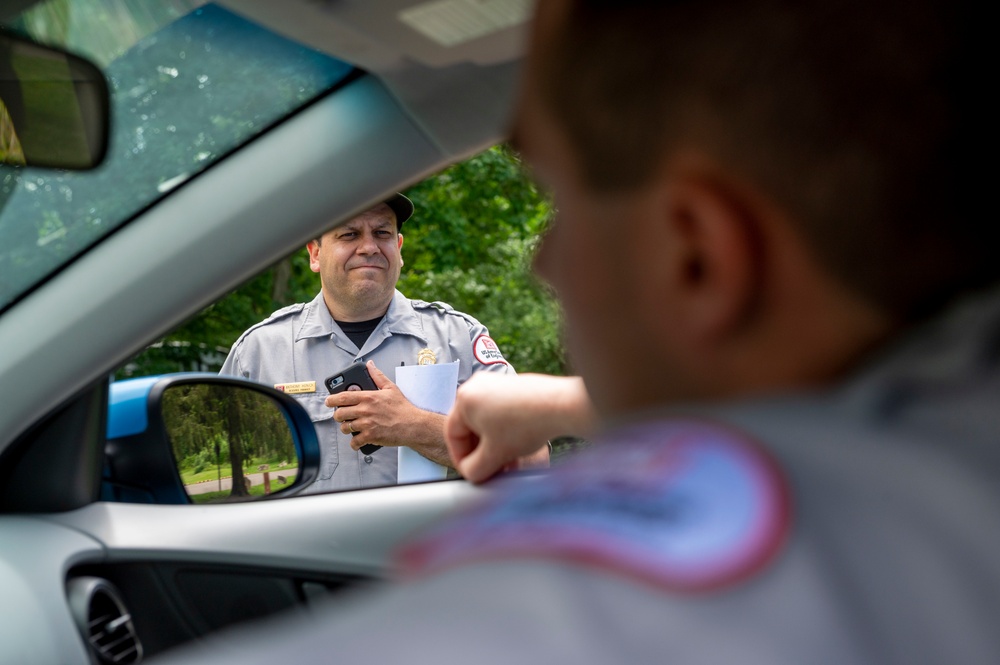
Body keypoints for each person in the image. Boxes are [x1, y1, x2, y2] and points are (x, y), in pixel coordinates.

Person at [163, 0, 997, 662]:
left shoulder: (598, 615)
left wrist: (434, 429)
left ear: (697, 258)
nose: (546, 265)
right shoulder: (957, 472)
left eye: (567, 201)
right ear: (314, 252)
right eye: (350, 231)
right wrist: (567, 401)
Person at [220, 194, 524, 492]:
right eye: (349, 234)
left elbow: (530, 458)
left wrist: (416, 427)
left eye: (382, 233)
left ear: (399, 248)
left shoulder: (459, 337)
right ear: (315, 254)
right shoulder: (258, 353)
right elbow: (218, 475)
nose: (369, 247)